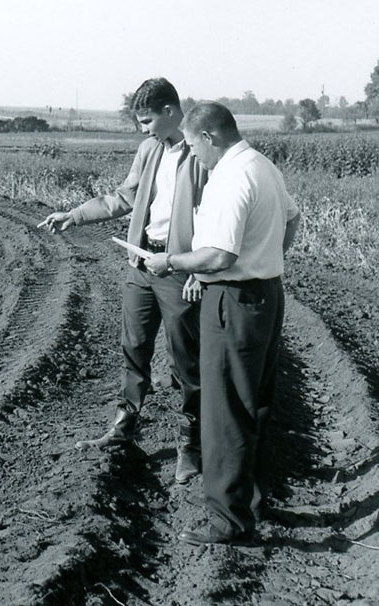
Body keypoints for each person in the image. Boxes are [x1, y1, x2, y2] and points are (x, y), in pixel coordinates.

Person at [144, 102, 300, 545]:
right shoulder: (262, 165)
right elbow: (292, 218)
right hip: (266, 293)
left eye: (193, 146)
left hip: (232, 300)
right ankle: (249, 498)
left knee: (225, 409)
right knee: (254, 401)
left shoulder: (231, 178)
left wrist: (170, 262)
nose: (193, 155)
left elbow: (219, 256)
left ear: (209, 137)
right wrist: (268, 258)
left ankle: (227, 521)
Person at [39, 77, 207, 484]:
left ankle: (192, 442)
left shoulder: (202, 154)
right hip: (142, 265)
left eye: (147, 120)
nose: (142, 129)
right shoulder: (149, 149)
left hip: (178, 268)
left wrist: (199, 272)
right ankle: (124, 426)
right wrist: (74, 214)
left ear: (171, 111)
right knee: (133, 346)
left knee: (186, 358)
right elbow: (124, 197)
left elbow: (216, 216)